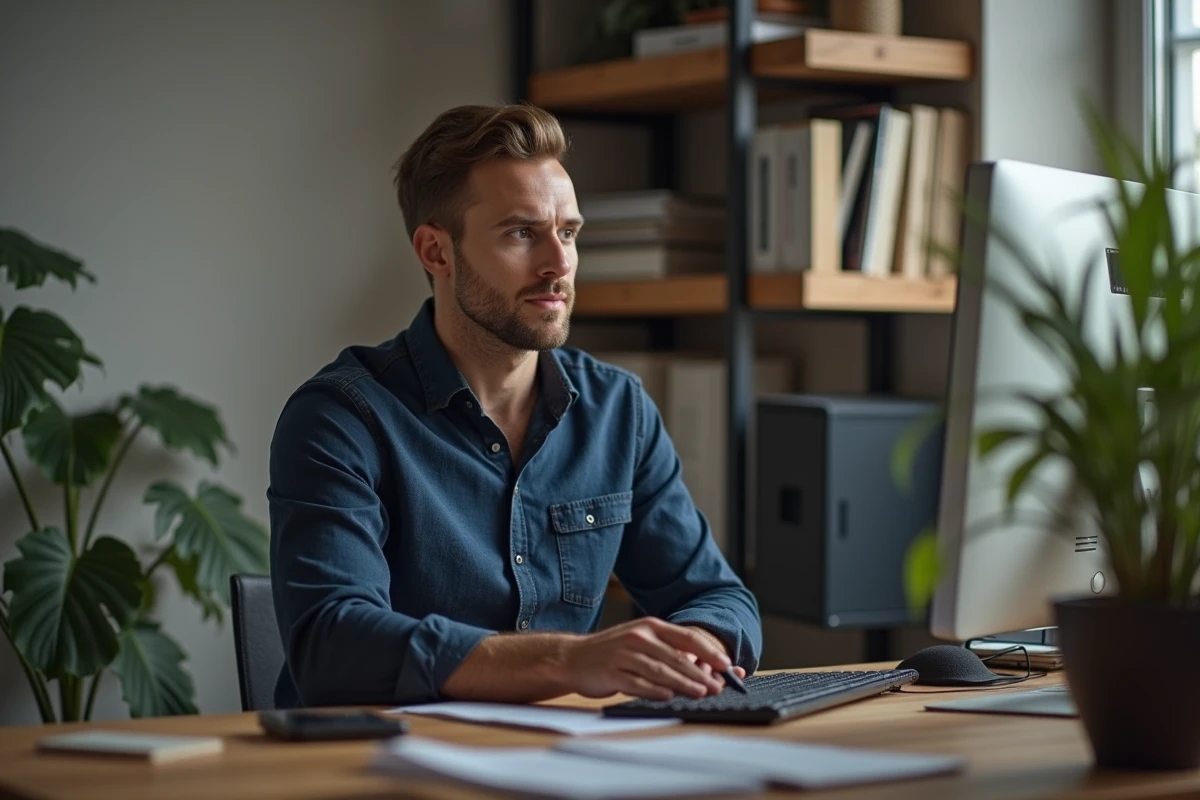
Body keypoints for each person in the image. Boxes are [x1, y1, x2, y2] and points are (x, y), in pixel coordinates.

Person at [267, 103, 762, 709]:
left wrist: (690, 649)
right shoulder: (341, 418)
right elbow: (332, 643)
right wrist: (569, 660)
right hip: (376, 764)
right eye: (522, 233)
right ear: (436, 252)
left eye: (569, 232)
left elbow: (719, 598)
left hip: (564, 760)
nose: (559, 264)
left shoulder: (618, 411)